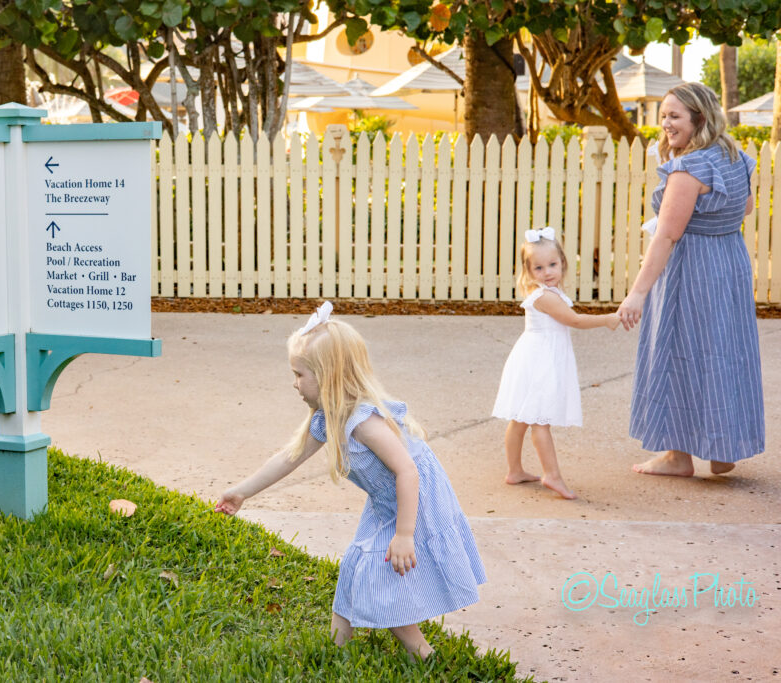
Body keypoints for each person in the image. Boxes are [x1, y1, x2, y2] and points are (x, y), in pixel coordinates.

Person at [215, 302, 486, 660]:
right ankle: (336, 648)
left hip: (413, 500)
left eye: (299, 374)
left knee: (380, 576)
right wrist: (241, 492)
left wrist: (405, 535)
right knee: (356, 567)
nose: (293, 383)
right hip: (385, 500)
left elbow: (408, 471)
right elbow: (288, 457)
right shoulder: (327, 418)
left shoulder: (363, 422)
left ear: (328, 376)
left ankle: (424, 654)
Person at [618, 82, 764, 476]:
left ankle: (676, 456)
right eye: (664, 115)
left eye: (674, 116)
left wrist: (637, 293)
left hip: (691, 269)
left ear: (699, 118)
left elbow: (667, 235)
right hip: (728, 262)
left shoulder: (688, 168)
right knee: (723, 352)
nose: (665, 123)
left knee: (677, 353)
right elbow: (746, 207)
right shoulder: (736, 157)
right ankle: (722, 448)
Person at [491, 228, 620, 499]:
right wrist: (606, 318)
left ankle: (515, 471)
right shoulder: (545, 296)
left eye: (552, 264)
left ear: (562, 262)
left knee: (522, 418)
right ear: (528, 271)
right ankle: (552, 475)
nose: (547, 271)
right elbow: (574, 320)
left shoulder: (548, 291)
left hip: (536, 356)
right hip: (540, 361)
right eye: (538, 267)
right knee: (539, 420)